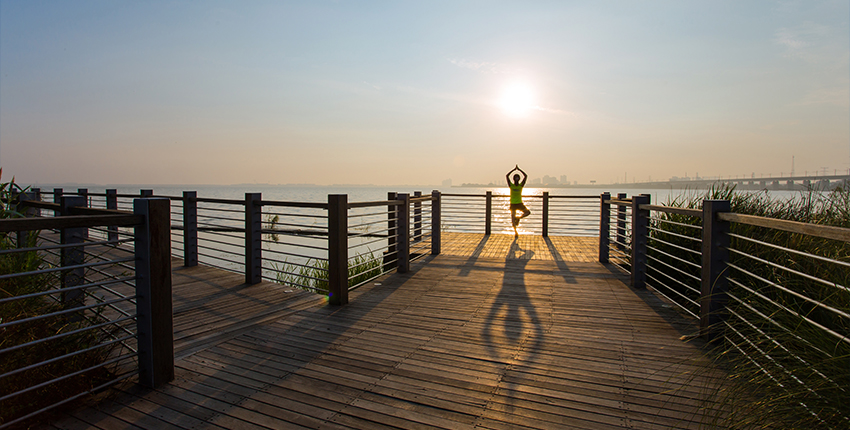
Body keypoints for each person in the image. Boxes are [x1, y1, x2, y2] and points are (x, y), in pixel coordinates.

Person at [506, 165, 531, 237]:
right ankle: (515, 232)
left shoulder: (521, 185)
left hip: (520, 203)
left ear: (519, 179)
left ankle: (518, 218)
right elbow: (507, 176)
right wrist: (513, 170)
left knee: (527, 212)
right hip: (513, 204)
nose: (516, 179)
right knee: (512, 218)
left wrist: (519, 170)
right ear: (514, 179)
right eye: (515, 178)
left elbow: (526, 176)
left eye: (517, 178)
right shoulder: (511, 185)